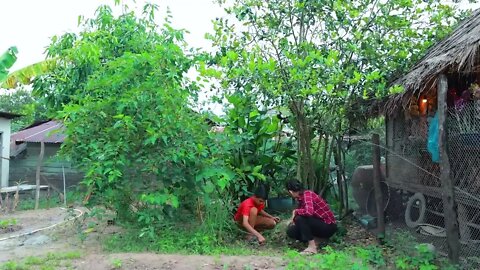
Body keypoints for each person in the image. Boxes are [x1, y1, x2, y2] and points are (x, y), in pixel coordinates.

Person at [286, 180, 337, 255]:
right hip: (318, 223)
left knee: (300, 218)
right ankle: (317, 240)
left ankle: (312, 247)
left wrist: (296, 212)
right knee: (292, 231)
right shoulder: (301, 198)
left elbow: (308, 212)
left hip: (328, 226)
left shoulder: (307, 194)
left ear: (290, 192)